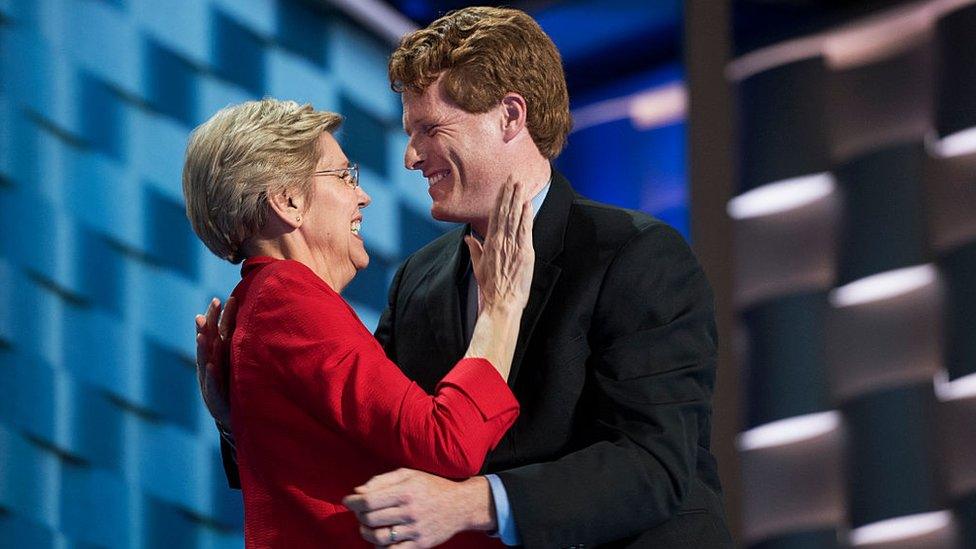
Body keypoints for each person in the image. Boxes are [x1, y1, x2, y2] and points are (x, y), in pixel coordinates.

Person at [199, 7, 732, 548]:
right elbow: (372, 439)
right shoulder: (418, 280)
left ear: (509, 116)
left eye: (429, 129)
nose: (410, 158)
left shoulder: (636, 255)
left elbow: (652, 465)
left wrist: (476, 503)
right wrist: (241, 419)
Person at [183, 98, 537, 547]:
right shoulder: (288, 299)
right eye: (344, 176)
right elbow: (449, 443)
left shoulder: (264, 299)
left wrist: (235, 425)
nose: (362, 195)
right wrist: (502, 307)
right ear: (287, 200)